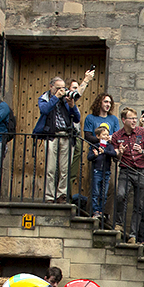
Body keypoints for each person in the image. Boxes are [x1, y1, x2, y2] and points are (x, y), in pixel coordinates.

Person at [33, 73, 89, 203]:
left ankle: (61, 195)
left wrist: (71, 105)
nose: (61, 91)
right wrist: (56, 98)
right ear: (51, 87)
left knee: (65, 169)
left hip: (66, 136)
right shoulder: (45, 98)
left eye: (63, 88)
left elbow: (76, 118)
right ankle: (49, 196)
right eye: (58, 88)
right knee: (51, 169)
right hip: (52, 136)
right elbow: (45, 110)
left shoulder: (66, 99)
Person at [110, 107, 144, 244]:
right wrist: (120, 152)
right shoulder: (117, 136)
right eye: (131, 118)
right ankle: (118, 223)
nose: (134, 121)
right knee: (121, 194)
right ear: (123, 120)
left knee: (138, 205)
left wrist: (142, 151)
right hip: (126, 170)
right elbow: (116, 159)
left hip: (142, 171)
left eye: (135, 118)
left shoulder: (142, 132)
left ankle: (133, 235)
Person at [87, 124, 115, 222]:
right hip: (97, 171)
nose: (106, 137)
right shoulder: (94, 146)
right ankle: (95, 211)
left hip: (106, 172)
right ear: (98, 136)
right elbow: (89, 157)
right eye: (104, 135)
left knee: (104, 193)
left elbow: (113, 154)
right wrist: (95, 155)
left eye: (107, 135)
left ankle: (102, 211)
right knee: (95, 192)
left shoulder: (109, 146)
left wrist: (105, 151)